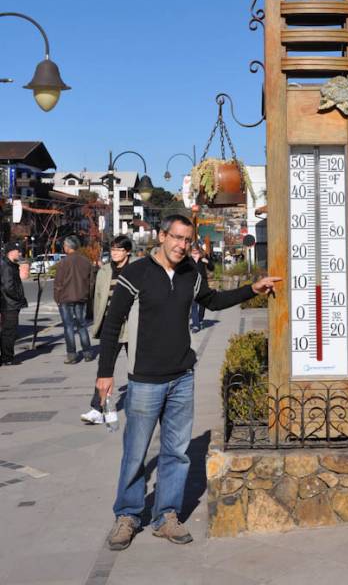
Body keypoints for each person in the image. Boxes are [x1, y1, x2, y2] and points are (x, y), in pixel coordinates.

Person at [96, 214, 280, 551]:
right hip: (145, 380)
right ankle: (128, 514)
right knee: (135, 453)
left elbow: (212, 302)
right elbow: (112, 325)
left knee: (177, 453)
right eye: (177, 238)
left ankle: (167, 515)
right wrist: (104, 374)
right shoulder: (135, 273)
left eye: (187, 240)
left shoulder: (191, 273)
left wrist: (251, 289)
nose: (182, 246)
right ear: (162, 236)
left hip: (182, 376)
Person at [81, 235, 133, 425]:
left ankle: (144, 405)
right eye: (112, 250)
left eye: (119, 250)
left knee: (138, 366)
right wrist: (98, 322)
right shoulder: (104, 271)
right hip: (110, 326)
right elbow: (98, 298)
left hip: (131, 326)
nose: (115, 253)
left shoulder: (136, 270)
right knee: (104, 368)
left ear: (127, 251)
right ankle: (97, 408)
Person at [54, 235, 94, 364]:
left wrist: (57, 298)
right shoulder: (86, 262)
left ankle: (72, 355)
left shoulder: (63, 263)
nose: (64, 248)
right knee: (82, 325)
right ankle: (87, 352)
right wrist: (88, 296)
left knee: (68, 327)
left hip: (65, 298)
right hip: (81, 297)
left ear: (68, 247)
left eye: (64, 245)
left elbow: (58, 283)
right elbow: (91, 282)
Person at [0, 241, 28, 365]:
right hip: (9, 304)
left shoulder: (9, 264)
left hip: (9, 303)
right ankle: (7, 358)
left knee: (8, 331)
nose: (20, 253)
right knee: (9, 331)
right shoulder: (6, 266)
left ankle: (7, 357)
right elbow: (8, 286)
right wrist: (18, 297)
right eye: (18, 251)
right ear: (11, 252)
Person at [190, 241, 214, 332]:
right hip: (192, 284)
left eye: (196, 252)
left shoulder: (203, 258)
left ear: (199, 251)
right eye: (193, 252)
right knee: (193, 305)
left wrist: (207, 262)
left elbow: (212, 268)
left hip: (203, 283)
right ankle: (196, 325)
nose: (194, 254)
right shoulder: (188, 259)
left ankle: (200, 319)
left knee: (202, 303)